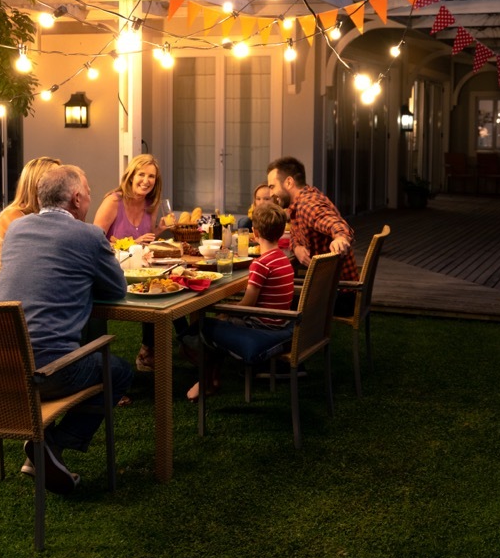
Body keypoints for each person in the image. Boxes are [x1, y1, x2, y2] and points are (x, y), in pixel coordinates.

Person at [0, 165, 132, 495]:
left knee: (73, 348)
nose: (89, 197)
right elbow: (117, 290)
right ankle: (53, 444)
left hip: (3, 367)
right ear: (76, 198)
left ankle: (44, 448)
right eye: (87, 191)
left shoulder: (17, 229)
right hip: (50, 372)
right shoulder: (88, 236)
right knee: (120, 371)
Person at [188, 201, 296, 401]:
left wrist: (226, 309)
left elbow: (248, 304)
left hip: (260, 324)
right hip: (278, 322)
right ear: (281, 233)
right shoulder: (283, 259)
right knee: (220, 320)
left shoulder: (260, 264)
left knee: (204, 325)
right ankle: (212, 379)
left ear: (254, 233)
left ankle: (206, 379)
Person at [93, 153, 165, 372]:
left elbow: (144, 242)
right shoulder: (114, 200)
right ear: (131, 176)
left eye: (151, 176)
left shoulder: (150, 204)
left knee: (163, 290)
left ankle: (149, 349)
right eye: (141, 174)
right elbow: (96, 240)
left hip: (138, 270)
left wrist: (158, 231)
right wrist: (133, 242)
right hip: (110, 270)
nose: (146, 180)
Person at [266, 156, 358, 289]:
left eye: (272, 187)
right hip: (327, 287)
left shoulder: (307, 204)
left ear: (289, 182)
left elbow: (336, 224)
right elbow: (294, 234)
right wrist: (296, 248)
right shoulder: (299, 203)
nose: (271, 194)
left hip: (337, 293)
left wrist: (340, 238)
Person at [0, 156, 61, 284]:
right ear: (38, 183)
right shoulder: (12, 216)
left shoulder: (45, 212)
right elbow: (38, 252)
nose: (61, 184)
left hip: (35, 279)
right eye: (56, 180)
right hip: (3, 285)